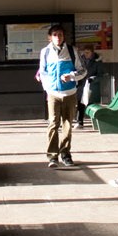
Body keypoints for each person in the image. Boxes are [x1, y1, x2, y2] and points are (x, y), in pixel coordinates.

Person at [38, 23, 87, 168]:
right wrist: (48, 88)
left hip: (70, 93)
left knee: (67, 125)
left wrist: (71, 76)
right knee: (53, 123)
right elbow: (43, 72)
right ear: (50, 38)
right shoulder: (45, 52)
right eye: (55, 35)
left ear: (63, 36)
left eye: (60, 34)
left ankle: (65, 154)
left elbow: (83, 70)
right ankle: (52, 156)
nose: (58, 37)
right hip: (53, 94)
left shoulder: (72, 51)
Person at [75, 47, 102, 127]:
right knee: (80, 103)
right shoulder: (80, 61)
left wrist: (93, 79)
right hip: (81, 85)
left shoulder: (97, 62)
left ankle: (95, 123)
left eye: (88, 52)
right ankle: (79, 121)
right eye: (85, 52)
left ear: (92, 53)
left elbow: (101, 74)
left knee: (91, 104)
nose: (85, 54)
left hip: (92, 86)